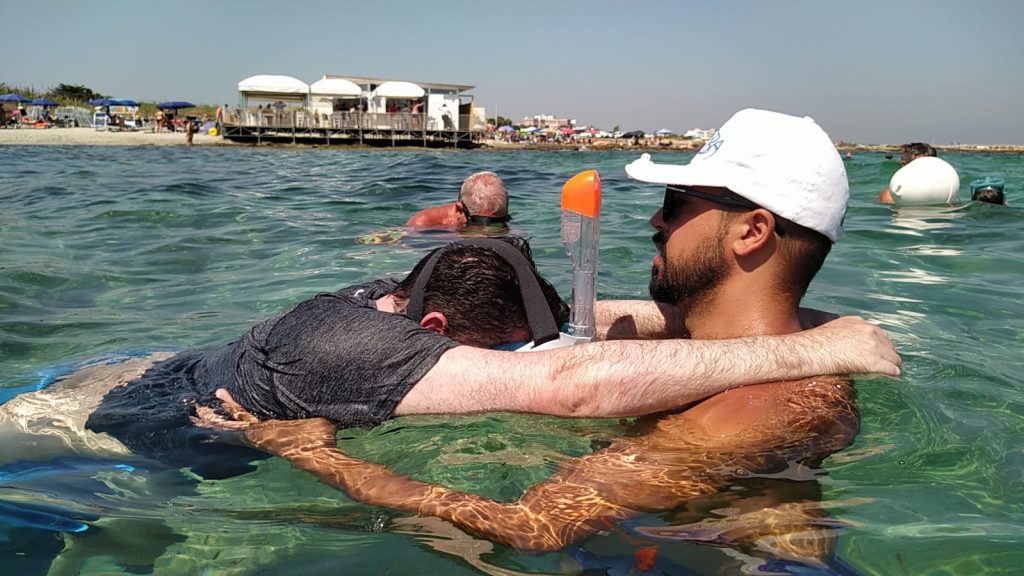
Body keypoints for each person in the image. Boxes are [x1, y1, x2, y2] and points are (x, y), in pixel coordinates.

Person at [202, 109, 877, 567]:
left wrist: (319, 458)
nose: (654, 220)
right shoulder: (724, 352)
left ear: (751, 232)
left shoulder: (756, 407)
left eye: (675, 206)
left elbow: (534, 528)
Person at [3, 231, 897, 479]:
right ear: (430, 333)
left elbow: (602, 323)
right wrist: (827, 350)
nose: (524, 351)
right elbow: (570, 387)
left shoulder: (423, 286)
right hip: (107, 423)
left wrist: (784, 319)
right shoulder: (360, 346)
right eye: (507, 347)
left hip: (160, 363)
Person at [405, 171, 511, 229]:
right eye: (480, 222)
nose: (488, 234)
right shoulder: (422, 224)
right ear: (459, 210)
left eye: (498, 222)